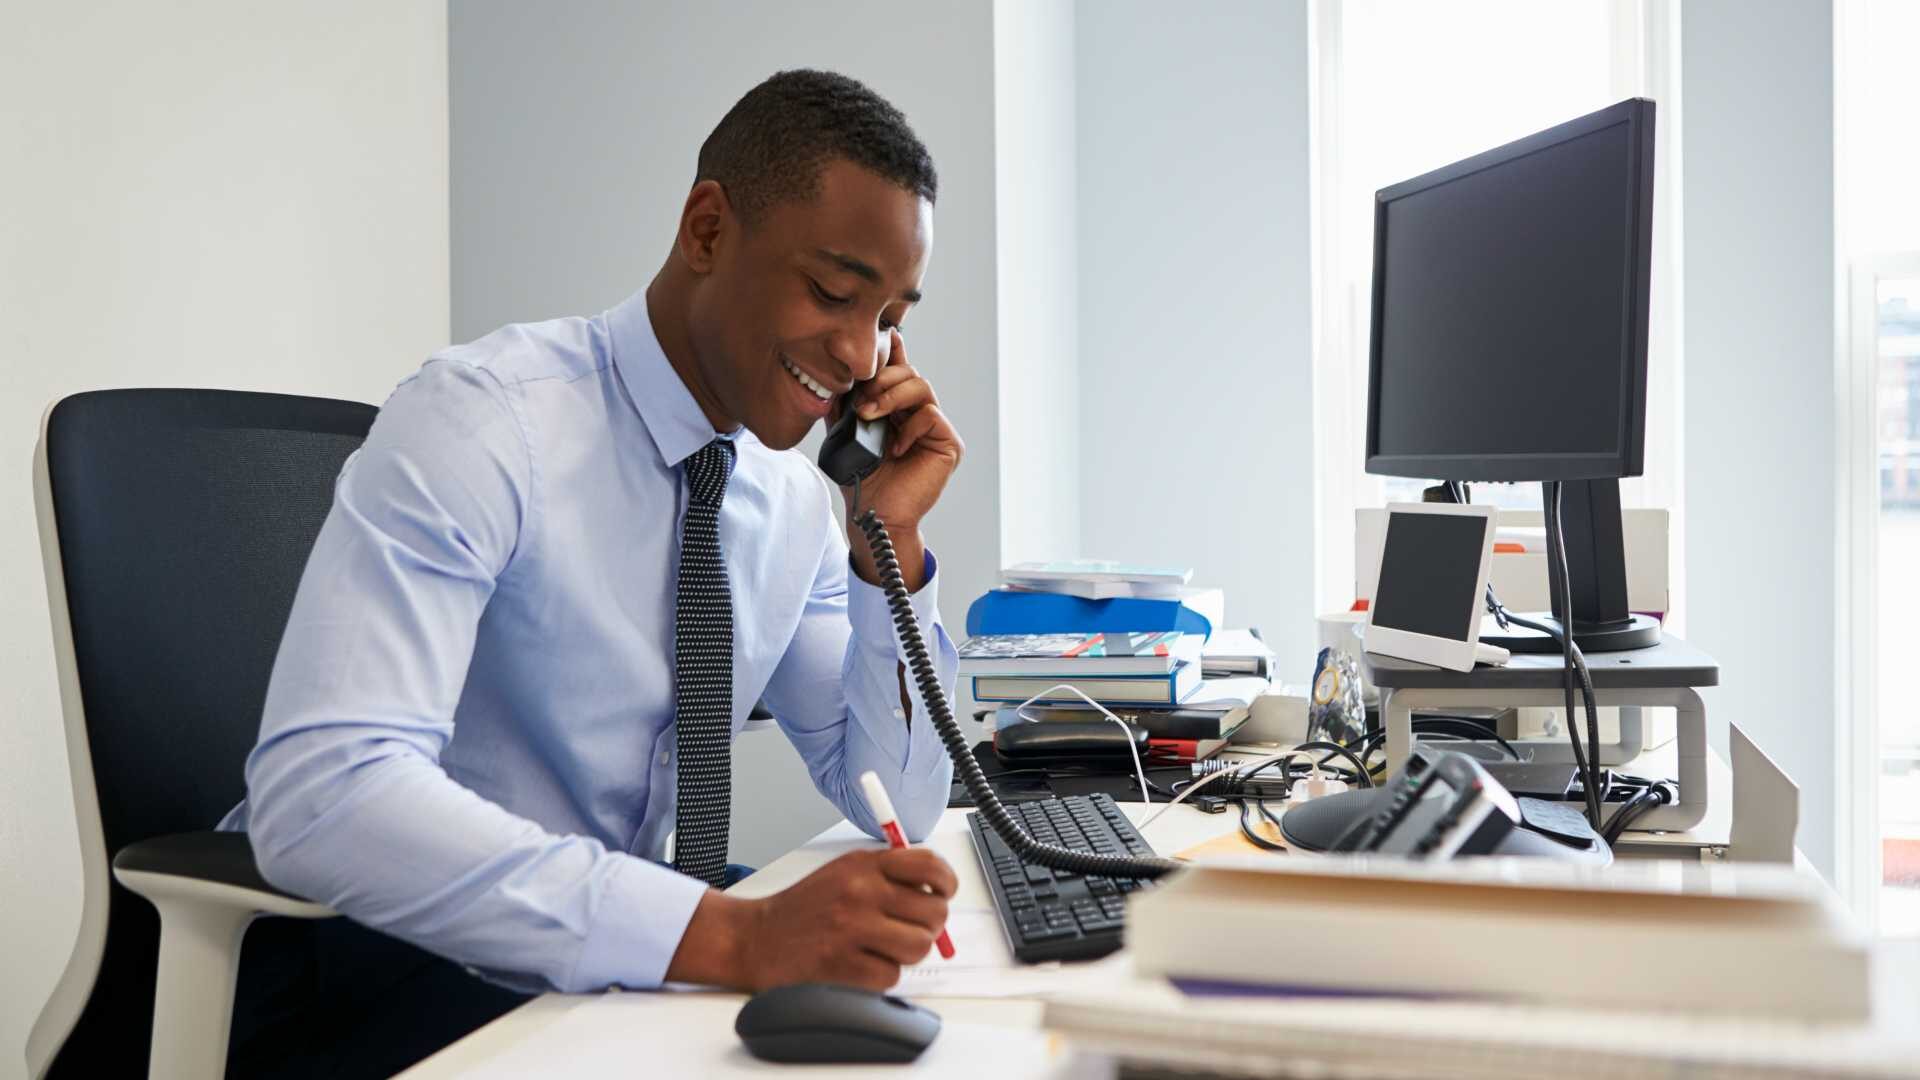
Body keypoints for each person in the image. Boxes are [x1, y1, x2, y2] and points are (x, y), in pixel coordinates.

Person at [219, 69, 962, 1076]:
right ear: (706, 230)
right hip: (373, 961)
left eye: (889, 316)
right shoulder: (486, 422)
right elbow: (325, 797)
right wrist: (734, 937)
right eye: (833, 292)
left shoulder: (788, 505)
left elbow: (899, 804)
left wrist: (890, 553)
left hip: (592, 956)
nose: (858, 351)